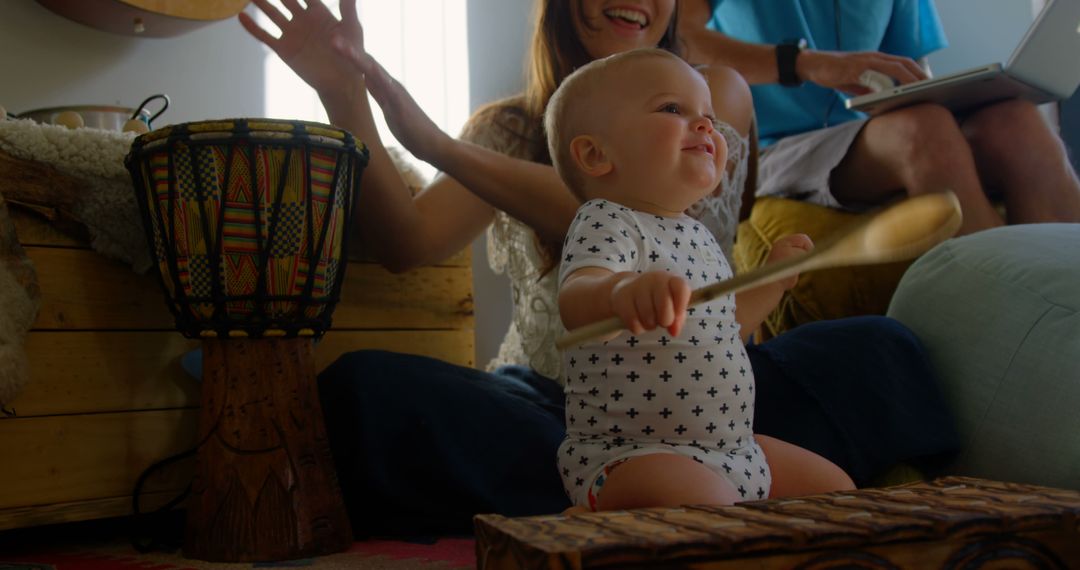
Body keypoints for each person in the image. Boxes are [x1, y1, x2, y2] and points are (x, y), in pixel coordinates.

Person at [239, 0, 957, 535]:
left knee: (881, 349)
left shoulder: (715, 99)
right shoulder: (512, 130)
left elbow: (694, 264)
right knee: (365, 391)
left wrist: (767, 281)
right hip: (563, 412)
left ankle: (661, 501)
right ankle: (627, 498)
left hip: (715, 405)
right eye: (674, 111)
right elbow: (406, 242)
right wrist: (345, 92)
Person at [549, 48, 853, 511]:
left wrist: (771, 282)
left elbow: (727, 325)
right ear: (596, 154)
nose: (706, 126)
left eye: (709, 116)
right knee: (708, 508)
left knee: (837, 492)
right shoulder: (608, 220)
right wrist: (621, 293)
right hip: (634, 458)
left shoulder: (698, 235)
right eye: (673, 109)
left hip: (734, 452)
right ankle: (595, 519)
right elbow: (576, 300)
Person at [677, 0, 1080, 235]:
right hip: (774, 147)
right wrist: (804, 64)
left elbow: (912, 74)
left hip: (867, 134)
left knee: (1017, 122)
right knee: (922, 131)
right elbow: (683, 36)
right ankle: (1011, 307)